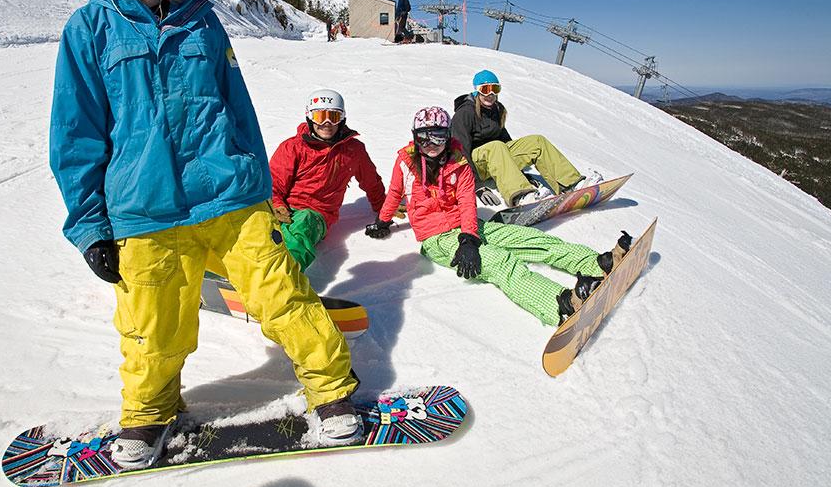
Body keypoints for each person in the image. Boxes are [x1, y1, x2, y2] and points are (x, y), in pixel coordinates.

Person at [49, 0, 361, 471]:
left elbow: (236, 108)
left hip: (230, 197)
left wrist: (262, 188)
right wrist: (90, 225)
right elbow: (76, 134)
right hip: (144, 209)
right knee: (152, 330)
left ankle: (332, 390)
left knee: (284, 295)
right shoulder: (90, 28)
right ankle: (148, 416)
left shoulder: (202, 21)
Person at [364, 106, 630, 326]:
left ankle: (597, 263)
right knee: (501, 262)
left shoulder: (458, 161)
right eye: (424, 137)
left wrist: (469, 238)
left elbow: (468, 202)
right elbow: (395, 193)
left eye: (438, 137)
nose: (431, 144)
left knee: (531, 239)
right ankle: (560, 304)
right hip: (437, 238)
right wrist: (382, 221)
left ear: (447, 136)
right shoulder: (405, 162)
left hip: (471, 227)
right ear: (415, 137)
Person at [270, 89, 386, 271]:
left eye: (333, 116)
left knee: (301, 228)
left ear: (342, 118)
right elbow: (274, 183)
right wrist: (277, 205)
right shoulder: (293, 147)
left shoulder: (353, 150)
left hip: (316, 214)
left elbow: (371, 180)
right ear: (309, 117)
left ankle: (281, 280)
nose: (326, 123)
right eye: (320, 116)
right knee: (263, 233)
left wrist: (383, 207)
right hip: (283, 209)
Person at [452, 69, 603, 208]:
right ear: (476, 91)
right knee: (496, 146)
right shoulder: (465, 113)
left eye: (495, 89)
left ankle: (570, 184)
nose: (490, 94)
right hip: (475, 164)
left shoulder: (497, 109)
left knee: (537, 141)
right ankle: (521, 196)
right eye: (485, 89)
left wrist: (518, 173)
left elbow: (507, 143)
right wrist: (475, 185)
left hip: (496, 157)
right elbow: (458, 151)